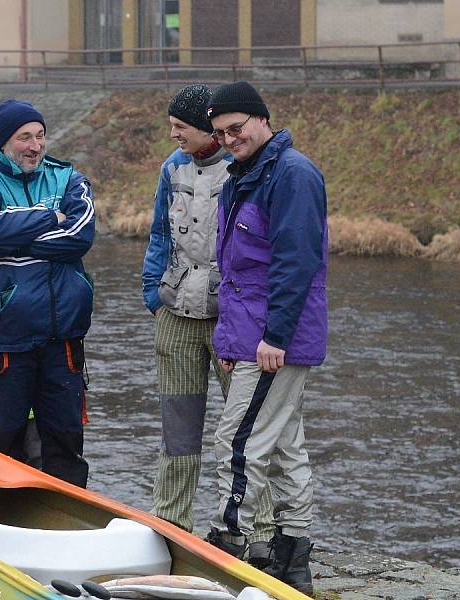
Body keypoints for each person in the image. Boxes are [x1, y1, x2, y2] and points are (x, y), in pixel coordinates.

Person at [203, 81, 328, 596]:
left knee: (237, 441)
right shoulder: (242, 178)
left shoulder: (293, 175)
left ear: (261, 120)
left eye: (237, 128)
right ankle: (292, 556)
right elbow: (236, 269)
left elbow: (296, 264)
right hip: (251, 337)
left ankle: (228, 540)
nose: (230, 139)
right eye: (220, 133)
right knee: (283, 446)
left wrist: (274, 336)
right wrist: (233, 343)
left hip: (276, 339)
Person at [0, 99, 95, 488]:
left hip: (62, 337)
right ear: (3, 143)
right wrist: (50, 218)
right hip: (3, 335)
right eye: (24, 137)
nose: (34, 145)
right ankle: (2, 521)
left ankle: (69, 520)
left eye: (40, 136)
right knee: (4, 440)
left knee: (65, 440)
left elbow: (79, 238)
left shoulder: (69, 180)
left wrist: (16, 239)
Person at [142, 84, 234, 533]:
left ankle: (251, 527)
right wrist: (151, 296)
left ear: (204, 126)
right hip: (174, 312)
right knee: (177, 429)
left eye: (180, 127)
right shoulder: (171, 168)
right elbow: (159, 235)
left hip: (230, 319)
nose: (173, 134)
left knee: (244, 429)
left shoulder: (242, 169)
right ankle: (171, 522)